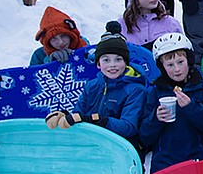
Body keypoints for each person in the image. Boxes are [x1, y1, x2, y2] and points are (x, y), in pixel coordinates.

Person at [45, 24, 146, 158]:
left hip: (123, 148)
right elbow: (79, 113)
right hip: (93, 144)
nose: (112, 65)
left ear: (126, 62)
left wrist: (98, 121)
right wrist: (65, 116)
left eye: (118, 59)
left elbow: (128, 127)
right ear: (98, 64)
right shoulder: (92, 85)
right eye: (106, 60)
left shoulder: (135, 89)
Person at [138, 31, 203, 174]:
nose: (176, 69)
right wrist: (156, 119)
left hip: (200, 160)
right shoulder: (155, 92)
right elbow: (145, 137)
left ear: (189, 60)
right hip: (165, 165)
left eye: (180, 62)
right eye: (169, 65)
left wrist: (191, 107)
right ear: (162, 67)